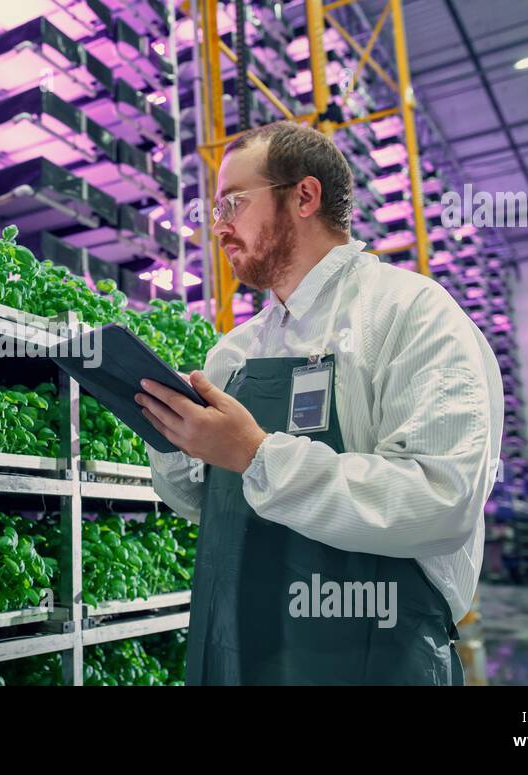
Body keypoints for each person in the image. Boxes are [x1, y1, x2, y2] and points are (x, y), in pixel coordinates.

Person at [135, 120, 503, 685]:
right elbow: (206, 505)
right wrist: (171, 439)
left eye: (232, 203)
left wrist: (257, 455)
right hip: (236, 647)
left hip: (374, 653)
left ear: (304, 196)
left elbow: (441, 501)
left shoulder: (411, 314)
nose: (219, 228)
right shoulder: (234, 351)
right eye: (215, 211)